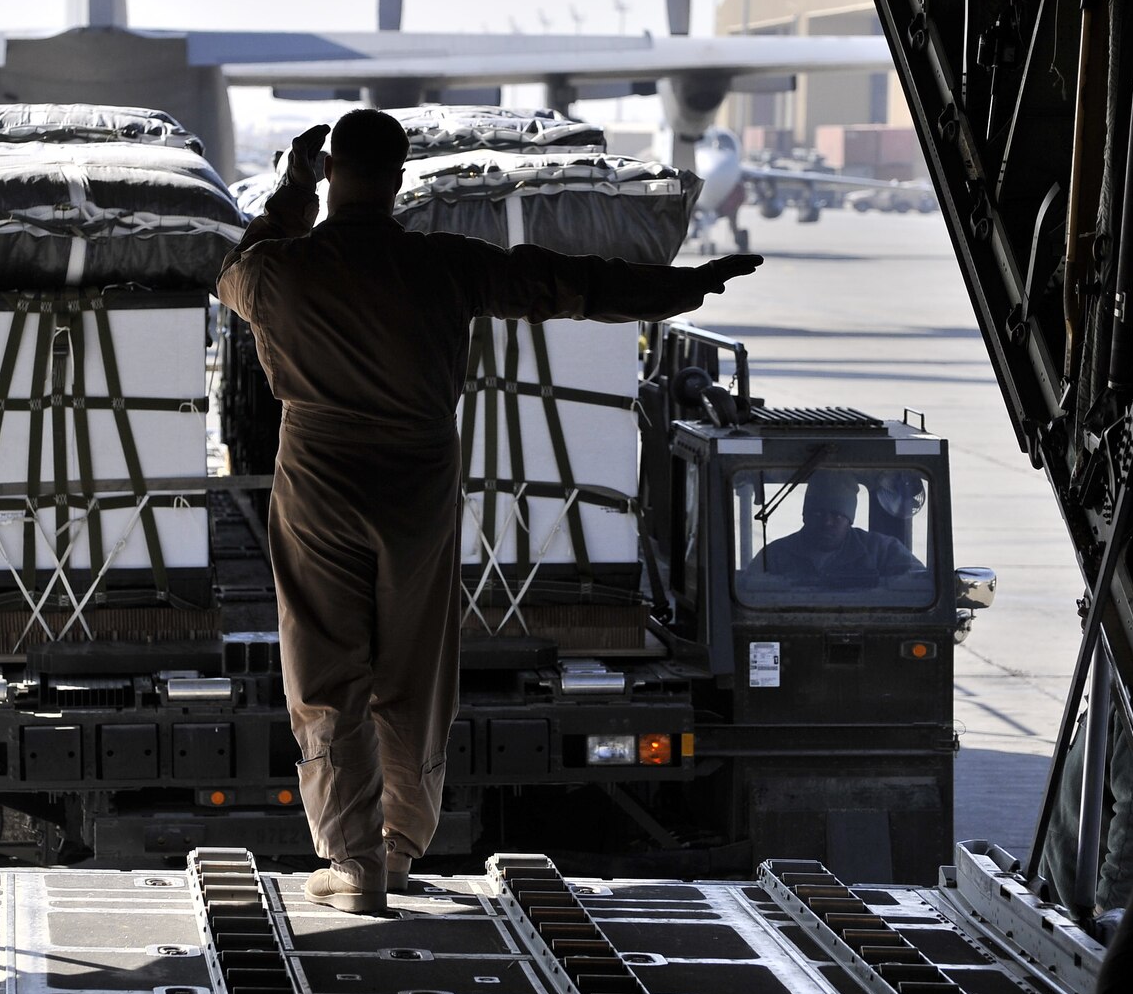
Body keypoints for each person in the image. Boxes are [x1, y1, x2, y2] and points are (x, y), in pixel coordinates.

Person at [216, 110, 761, 913]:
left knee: (330, 675)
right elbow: (566, 285)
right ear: (400, 180)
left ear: (334, 173)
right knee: (414, 671)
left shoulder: (281, 273)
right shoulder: (442, 265)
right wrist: (679, 288)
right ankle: (399, 842)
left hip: (321, 488)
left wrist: (296, 189)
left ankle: (354, 861)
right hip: (418, 487)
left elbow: (235, 265)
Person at [746, 471, 921, 583]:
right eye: (818, 513)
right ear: (804, 515)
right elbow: (747, 588)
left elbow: (921, 584)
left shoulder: (883, 551)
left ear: (849, 520)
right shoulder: (775, 555)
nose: (827, 522)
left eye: (837, 515)